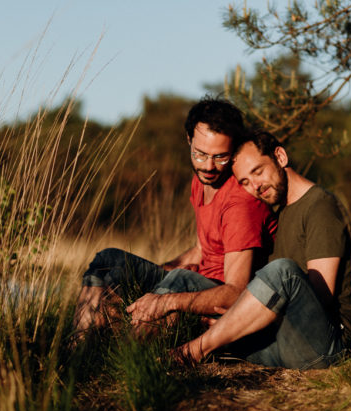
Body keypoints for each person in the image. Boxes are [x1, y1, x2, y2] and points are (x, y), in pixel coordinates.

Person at [73, 98, 276, 337]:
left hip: (217, 304)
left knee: (180, 279)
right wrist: (153, 273)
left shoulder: (239, 203)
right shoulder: (201, 180)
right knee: (109, 260)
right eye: (200, 154)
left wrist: (170, 295)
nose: (208, 166)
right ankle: (78, 348)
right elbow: (202, 249)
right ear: (188, 139)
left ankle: (128, 362)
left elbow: (236, 292)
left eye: (220, 157)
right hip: (193, 280)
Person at [169, 130, 351, 369]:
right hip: (284, 341)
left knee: (283, 272)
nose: (255, 186)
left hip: (324, 345)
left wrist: (242, 319)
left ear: (280, 156)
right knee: (187, 278)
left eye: (258, 171)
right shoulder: (281, 214)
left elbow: (321, 298)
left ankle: (192, 352)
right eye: (245, 182)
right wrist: (235, 318)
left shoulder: (320, 206)